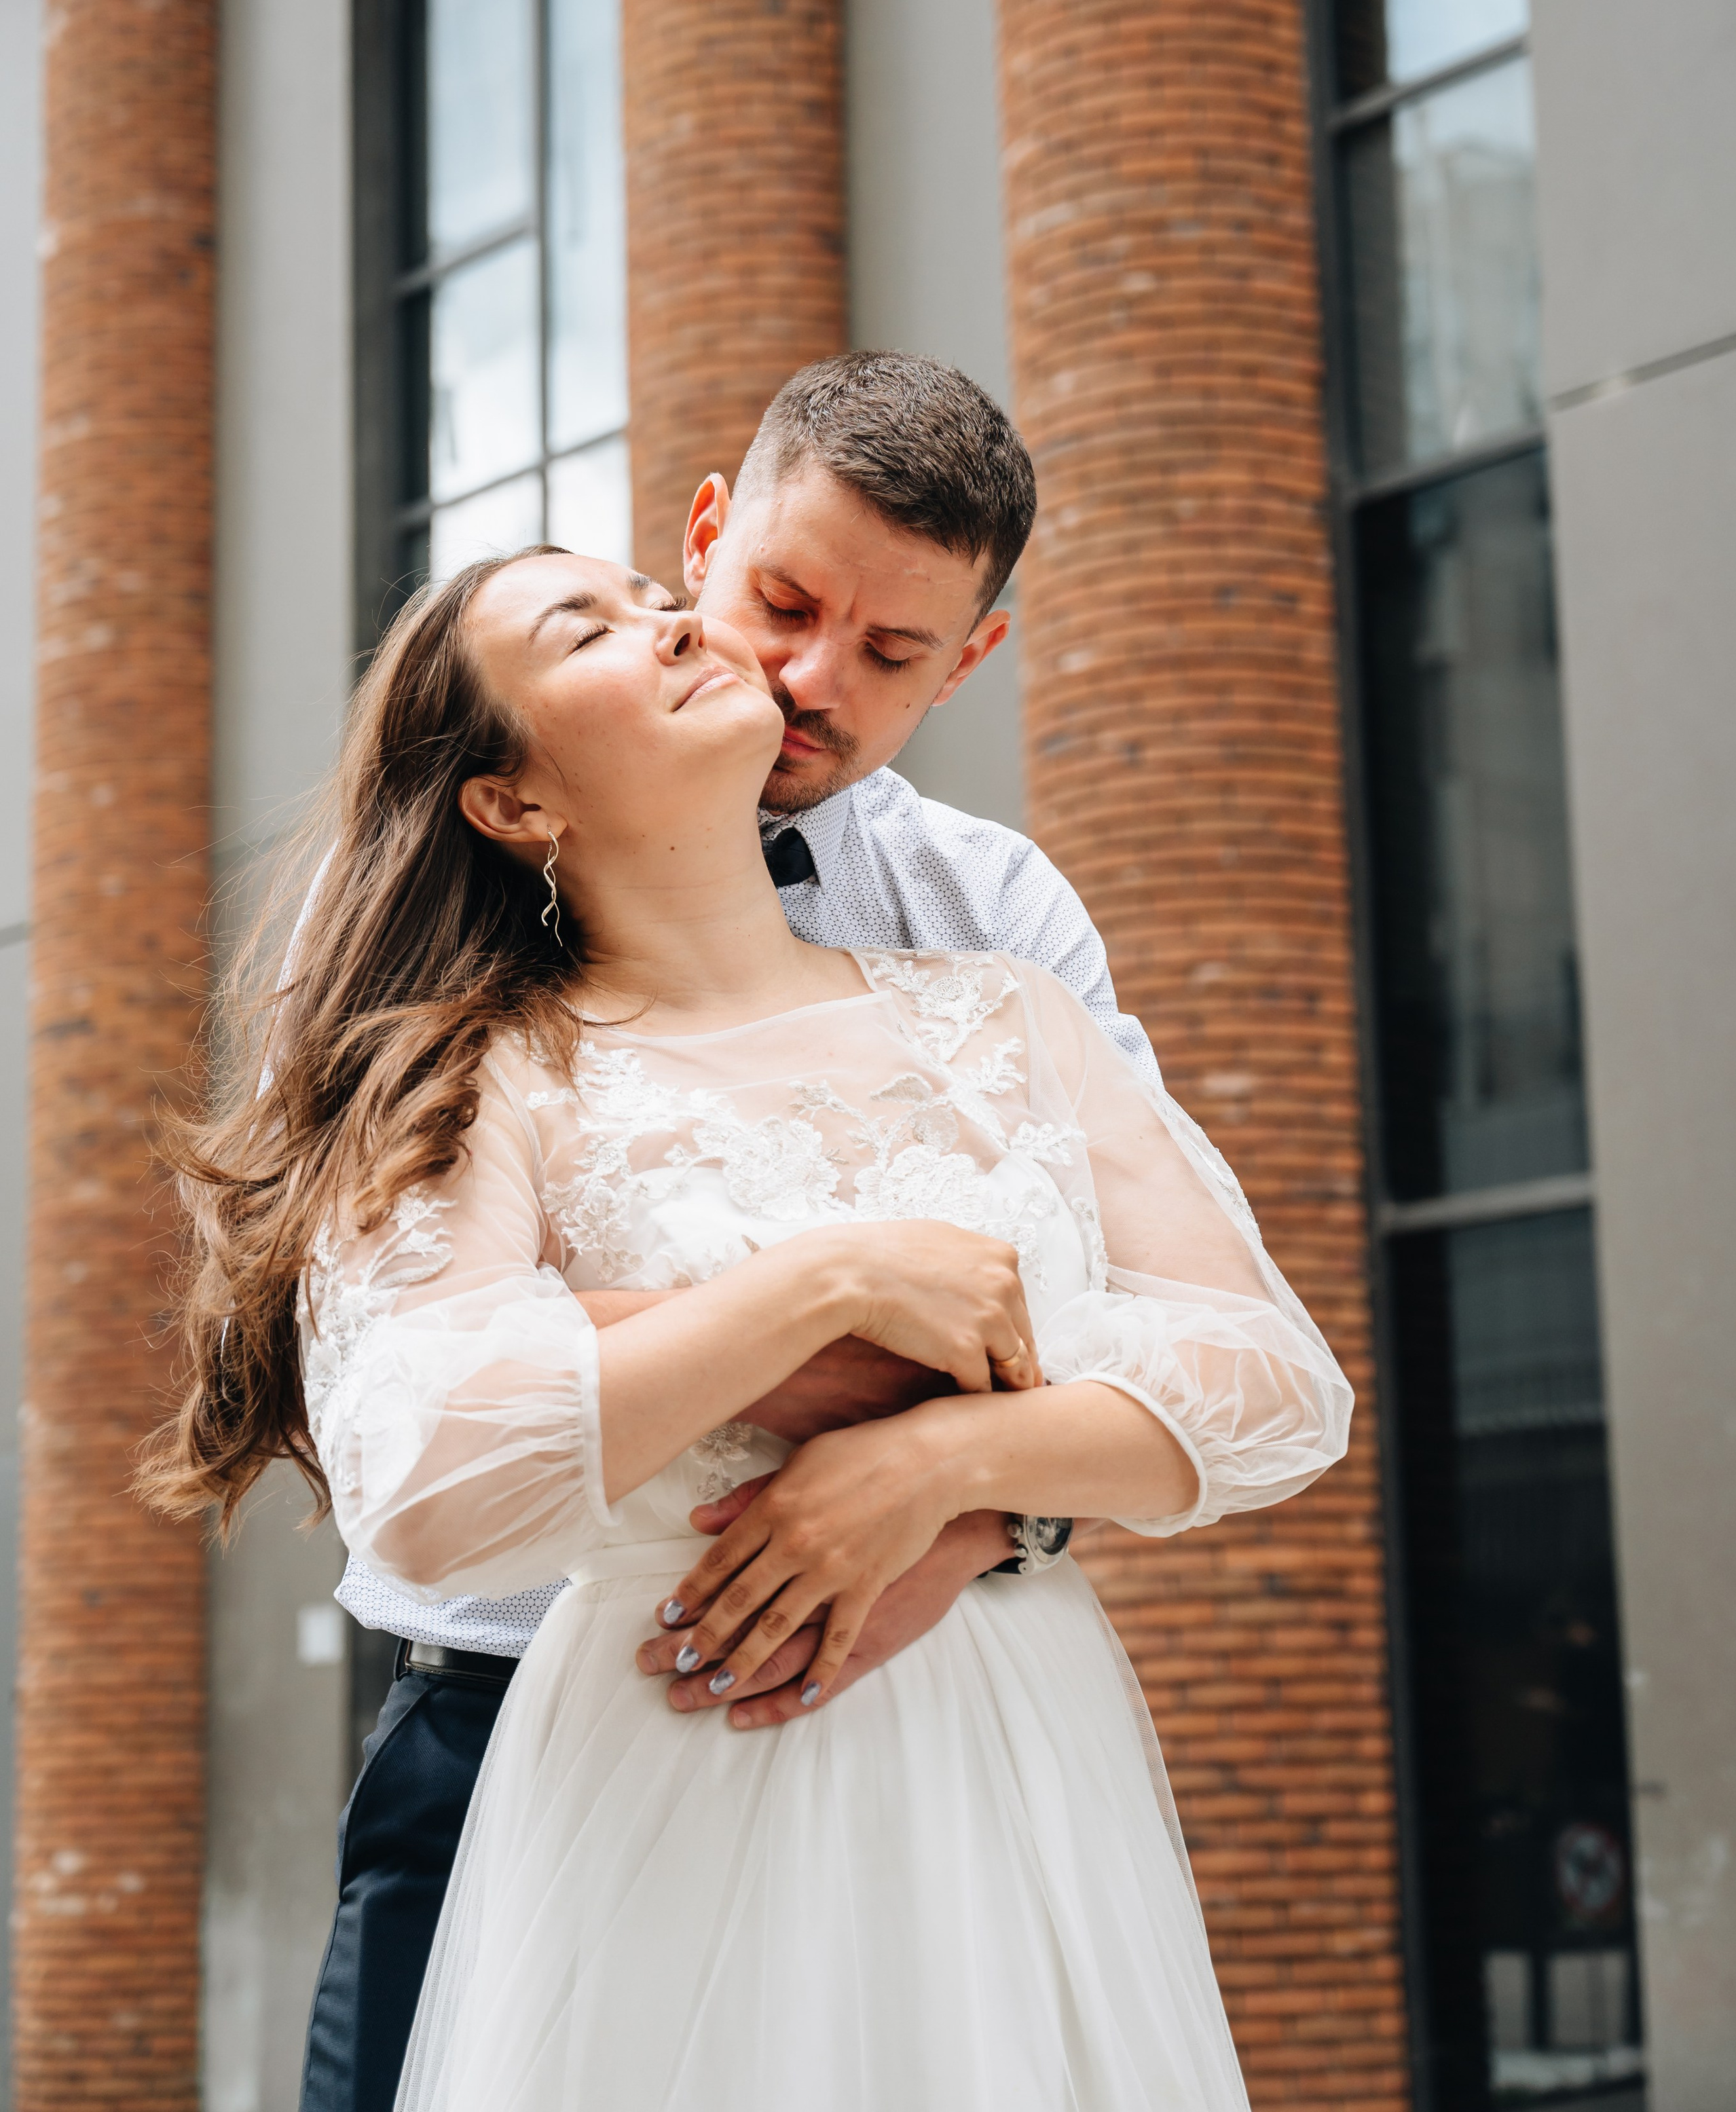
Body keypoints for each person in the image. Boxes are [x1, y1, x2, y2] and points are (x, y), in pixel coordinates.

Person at [144, 534, 1352, 2102]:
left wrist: (940, 1472)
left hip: (1016, 1766)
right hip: (666, 1767)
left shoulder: (1005, 998)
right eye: (590, 628)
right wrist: (822, 1286)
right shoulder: (465, 1077)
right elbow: (424, 1478)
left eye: (657, 601)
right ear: (512, 802)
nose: (672, 628)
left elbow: (1272, 1384)